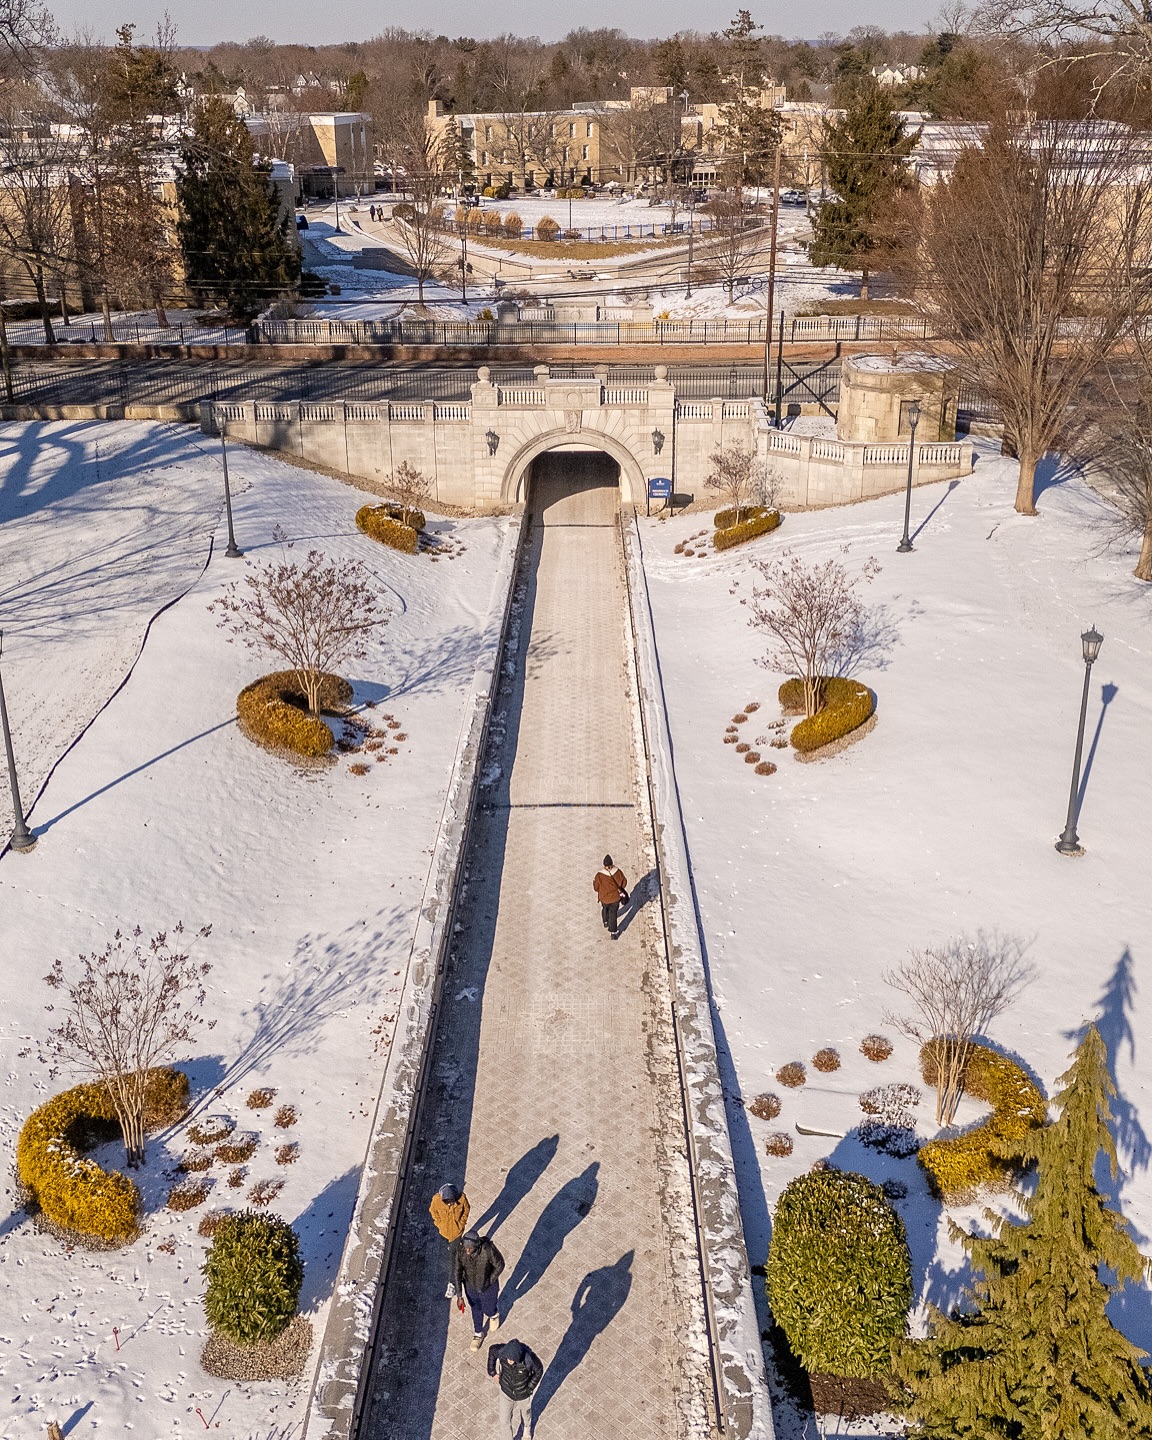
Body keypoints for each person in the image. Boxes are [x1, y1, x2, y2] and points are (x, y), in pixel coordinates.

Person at [455, 1230, 505, 1350]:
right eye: (466, 1247)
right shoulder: (461, 1251)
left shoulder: (487, 1249)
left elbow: (500, 1264)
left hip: (488, 1288)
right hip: (470, 1287)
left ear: (476, 1246)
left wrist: (489, 1281)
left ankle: (493, 1315)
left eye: (470, 1248)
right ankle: (478, 1333)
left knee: (488, 1309)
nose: (467, 1251)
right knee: (475, 1309)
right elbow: (457, 1271)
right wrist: (459, 1295)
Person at [487, 1338, 543, 1439]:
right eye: (508, 1358)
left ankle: (526, 1429)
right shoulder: (503, 1352)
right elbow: (492, 1350)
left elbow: (539, 1370)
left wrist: (530, 1387)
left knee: (526, 1416)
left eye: (512, 1359)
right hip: (506, 1392)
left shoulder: (528, 1359)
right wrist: (492, 1372)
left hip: (523, 1394)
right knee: (504, 1421)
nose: (509, 1361)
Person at [429, 1182, 470, 1298]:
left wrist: (461, 1224)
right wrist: (439, 1223)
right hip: (444, 1232)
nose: (450, 1204)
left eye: (452, 1201)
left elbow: (466, 1210)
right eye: (447, 1202)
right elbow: (433, 1211)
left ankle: (452, 1284)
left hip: (456, 1234)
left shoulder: (462, 1199)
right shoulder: (437, 1200)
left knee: (453, 1259)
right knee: (451, 1252)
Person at [593, 854, 629, 939]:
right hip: (615, 898)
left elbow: (596, 887)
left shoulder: (599, 875)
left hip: (604, 898)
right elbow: (624, 882)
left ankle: (605, 921)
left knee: (605, 909)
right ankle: (613, 932)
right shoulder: (618, 872)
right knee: (613, 913)